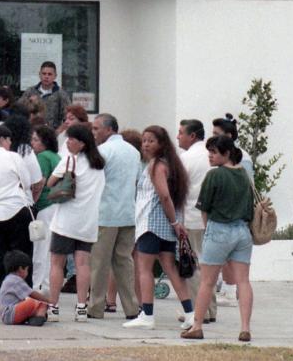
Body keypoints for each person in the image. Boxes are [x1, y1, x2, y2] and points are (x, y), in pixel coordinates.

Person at [181, 135, 254, 342]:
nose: (210, 156)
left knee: (206, 281)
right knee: (243, 281)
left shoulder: (214, 175)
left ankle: (197, 325)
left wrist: (209, 229)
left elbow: (204, 208)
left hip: (219, 228)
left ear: (226, 153)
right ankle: (245, 327)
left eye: (214, 152)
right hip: (242, 231)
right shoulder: (244, 174)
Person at [125, 125, 193, 330]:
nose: (145, 144)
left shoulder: (156, 167)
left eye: (151, 140)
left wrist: (175, 222)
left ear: (161, 144)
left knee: (144, 269)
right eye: (144, 140)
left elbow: (164, 196)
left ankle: (147, 315)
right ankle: (190, 313)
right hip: (164, 226)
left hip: (151, 224)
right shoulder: (168, 165)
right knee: (171, 269)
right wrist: (175, 223)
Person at [46, 123, 106, 322]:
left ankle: (53, 307)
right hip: (88, 222)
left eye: (71, 139)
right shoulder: (99, 164)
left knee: (57, 264)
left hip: (65, 221)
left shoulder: (69, 161)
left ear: (81, 143)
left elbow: (50, 183)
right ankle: (81, 307)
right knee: (83, 264)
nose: (68, 142)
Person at [87, 113, 141, 320]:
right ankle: (131, 307)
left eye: (96, 128)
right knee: (124, 262)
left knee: (99, 262)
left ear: (109, 129)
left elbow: (94, 182)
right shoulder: (133, 152)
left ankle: (96, 306)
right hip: (128, 212)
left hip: (106, 213)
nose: (94, 132)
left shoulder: (102, 151)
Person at [0, 124, 35, 302]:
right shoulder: (13, 157)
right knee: (21, 252)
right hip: (15, 209)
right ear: (2, 139)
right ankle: (22, 290)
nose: (10, 142)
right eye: (9, 139)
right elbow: (27, 183)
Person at [211, 113, 253, 305]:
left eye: (216, 133)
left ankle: (229, 290)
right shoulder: (228, 154)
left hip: (233, 211)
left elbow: (244, 183)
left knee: (229, 254)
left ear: (228, 136)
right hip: (230, 209)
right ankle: (229, 287)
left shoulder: (240, 156)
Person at [177, 119, 215, 323]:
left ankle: (200, 310)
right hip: (212, 219)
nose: (177, 137)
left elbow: (180, 191)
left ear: (192, 136)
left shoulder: (186, 158)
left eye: (181, 133)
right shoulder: (211, 155)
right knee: (208, 263)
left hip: (192, 217)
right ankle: (211, 309)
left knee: (193, 265)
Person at [30, 124, 61, 293]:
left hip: (45, 205)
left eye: (35, 140)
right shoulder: (56, 156)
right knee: (51, 247)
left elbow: (39, 182)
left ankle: (38, 285)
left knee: (40, 247)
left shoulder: (42, 157)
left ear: (44, 142)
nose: (32, 143)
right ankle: (48, 283)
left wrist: (33, 202)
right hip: (56, 205)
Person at [0, 250, 50, 326]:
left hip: (7, 316)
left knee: (32, 303)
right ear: (20, 269)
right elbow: (32, 294)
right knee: (39, 303)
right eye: (27, 269)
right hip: (11, 314)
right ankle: (39, 316)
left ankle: (36, 315)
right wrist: (48, 300)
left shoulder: (8, 279)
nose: (27, 273)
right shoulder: (16, 280)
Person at [20, 61, 71, 130]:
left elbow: (68, 117)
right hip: (30, 132)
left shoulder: (61, 94)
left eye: (49, 74)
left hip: (51, 133)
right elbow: (19, 110)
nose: (46, 76)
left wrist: (57, 133)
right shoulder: (30, 91)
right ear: (39, 74)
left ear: (55, 76)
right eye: (44, 74)